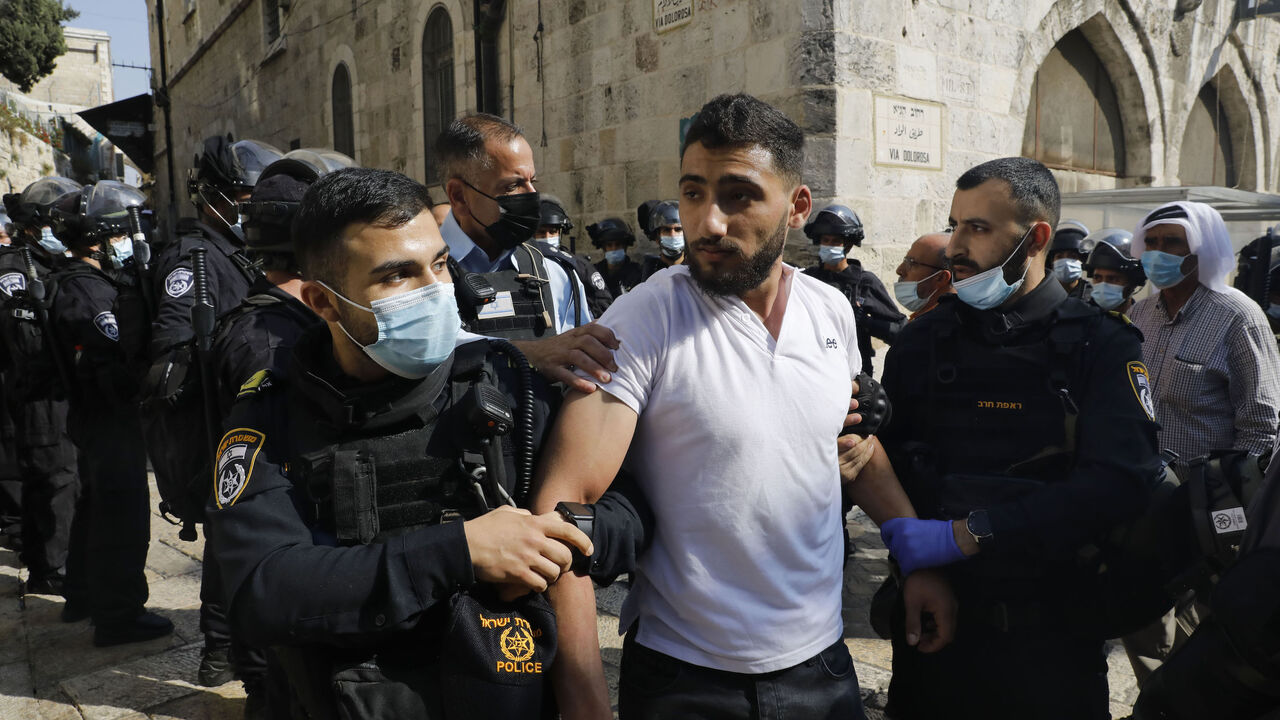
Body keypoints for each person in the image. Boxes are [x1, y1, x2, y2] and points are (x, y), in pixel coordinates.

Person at [533, 93, 954, 720]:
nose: (708, 222)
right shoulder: (645, 319)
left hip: (822, 667)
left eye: (739, 195)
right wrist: (585, 700)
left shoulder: (830, 310)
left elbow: (853, 452)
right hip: (687, 679)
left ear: (797, 207)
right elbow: (562, 517)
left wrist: (917, 558)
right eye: (694, 193)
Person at [204, 167, 608, 719]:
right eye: (397, 275)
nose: (436, 291)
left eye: (439, 263)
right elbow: (260, 590)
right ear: (323, 302)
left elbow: (624, 509)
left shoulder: (508, 382)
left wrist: (558, 541)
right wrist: (460, 553)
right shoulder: (270, 418)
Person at [873, 157, 1161, 720]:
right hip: (933, 635)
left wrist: (971, 533)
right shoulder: (924, 341)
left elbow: (1121, 482)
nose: (955, 246)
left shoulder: (1101, 347)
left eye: (977, 228)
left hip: (1050, 648)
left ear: (1037, 237)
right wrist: (921, 566)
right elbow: (892, 469)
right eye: (954, 224)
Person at [140, 134, 281, 686]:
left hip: (238, 415)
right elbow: (173, 356)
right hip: (216, 420)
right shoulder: (195, 259)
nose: (255, 216)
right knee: (232, 539)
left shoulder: (237, 255)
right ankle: (221, 652)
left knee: (236, 539)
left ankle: (223, 649)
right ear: (215, 198)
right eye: (247, 204)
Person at [1123, 201, 1280, 682]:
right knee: (1141, 617)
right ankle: (1155, 703)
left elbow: (1262, 424)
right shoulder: (1140, 313)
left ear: (1201, 250)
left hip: (1206, 505)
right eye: (1151, 242)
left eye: (1173, 243)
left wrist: (1233, 509)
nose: (1159, 253)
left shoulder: (1238, 316)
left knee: (1201, 629)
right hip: (1142, 496)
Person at [48, 180, 174, 646]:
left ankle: (82, 594)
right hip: (108, 418)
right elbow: (114, 360)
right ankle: (119, 615)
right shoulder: (89, 293)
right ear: (100, 239)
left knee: (95, 508)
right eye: (124, 235)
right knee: (121, 517)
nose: (130, 244)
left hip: (93, 417)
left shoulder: (79, 282)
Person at [435, 114, 617, 393]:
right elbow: (419, 357)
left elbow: (587, 370)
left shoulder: (556, 273)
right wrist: (529, 354)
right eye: (512, 186)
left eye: (532, 181)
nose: (531, 196)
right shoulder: (418, 275)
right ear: (459, 196)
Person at [0, 177, 81, 600]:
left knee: (49, 479)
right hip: (36, 391)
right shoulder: (13, 270)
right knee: (56, 479)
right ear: (33, 226)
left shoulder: (50, 264)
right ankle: (52, 566)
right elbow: (26, 341)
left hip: (49, 390)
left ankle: (42, 559)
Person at [802, 204, 905, 376]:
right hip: (813, 369)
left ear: (847, 245)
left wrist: (866, 322)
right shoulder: (808, 279)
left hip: (853, 374)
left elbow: (900, 330)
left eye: (835, 241)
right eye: (825, 240)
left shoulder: (865, 283)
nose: (829, 245)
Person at [534, 194, 612, 319]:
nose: (547, 236)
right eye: (541, 232)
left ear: (560, 232)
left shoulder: (578, 264)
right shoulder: (521, 263)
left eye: (553, 231)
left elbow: (603, 301)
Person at [1082, 228, 1144, 315]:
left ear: (1133, 283)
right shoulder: (1082, 320)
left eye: (1112, 279)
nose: (1103, 285)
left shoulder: (1144, 322)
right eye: (1097, 278)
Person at [893, 231, 954, 320]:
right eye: (905, 260)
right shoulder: (921, 321)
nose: (899, 270)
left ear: (941, 278)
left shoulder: (942, 328)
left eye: (912, 263)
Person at [588, 217, 642, 296]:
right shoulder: (594, 272)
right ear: (604, 248)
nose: (614, 248)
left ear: (625, 246)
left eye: (618, 244)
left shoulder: (637, 273)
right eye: (609, 245)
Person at [639, 200, 684, 281]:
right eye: (667, 230)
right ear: (657, 237)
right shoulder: (647, 272)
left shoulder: (696, 270)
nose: (673, 235)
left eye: (678, 229)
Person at [1047, 219, 1092, 299]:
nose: (1066, 262)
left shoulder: (1091, 297)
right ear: (1052, 262)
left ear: (1083, 262)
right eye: (1059, 257)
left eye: (1073, 257)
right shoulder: (1042, 294)